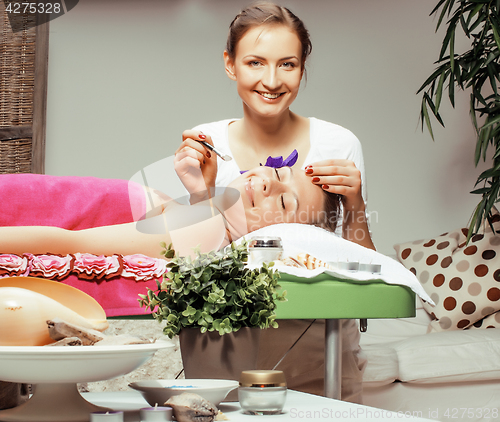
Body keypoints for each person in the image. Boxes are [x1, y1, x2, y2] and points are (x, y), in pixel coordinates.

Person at [177, 1, 370, 403]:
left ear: (302, 68)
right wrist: (202, 194)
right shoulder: (206, 144)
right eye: (255, 63)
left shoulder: (338, 144)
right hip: (223, 350)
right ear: (230, 65)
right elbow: (192, 262)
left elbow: (366, 276)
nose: (271, 80)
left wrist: (354, 204)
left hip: (322, 348)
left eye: (287, 64)